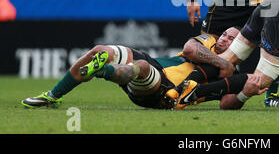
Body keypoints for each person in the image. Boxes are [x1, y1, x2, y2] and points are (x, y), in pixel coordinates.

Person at [21, 27, 264, 110]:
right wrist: (222, 61)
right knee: (99, 51)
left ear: (241, 44)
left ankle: (102, 72)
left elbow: (226, 103)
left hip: (166, 92)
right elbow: (190, 49)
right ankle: (52, 96)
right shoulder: (209, 42)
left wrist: (245, 93)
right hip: (156, 65)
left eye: (231, 38)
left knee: (141, 68)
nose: (223, 39)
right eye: (224, 34)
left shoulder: (234, 74)